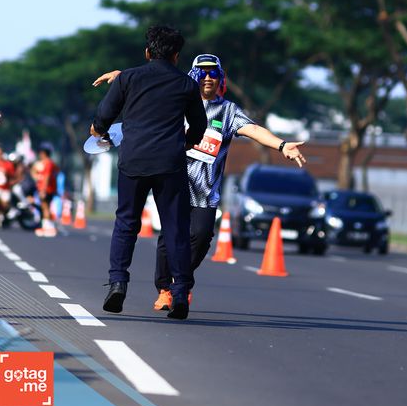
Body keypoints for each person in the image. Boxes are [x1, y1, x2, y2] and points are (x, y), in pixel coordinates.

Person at [94, 53, 306, 311]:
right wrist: (121, 76)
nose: (208, 78)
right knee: (169, 236)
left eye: (213, 73)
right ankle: (166, 289)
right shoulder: (178, 98)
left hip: (205, 192)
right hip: (172, 182)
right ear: (193, 74)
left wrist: (282, 145)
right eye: (202, 72)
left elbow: (253, 130)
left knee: (202, 236)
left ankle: (179, 281)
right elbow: (150, 83)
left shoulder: (227, 111)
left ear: (221, 78)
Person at [90, 25, 207, 320]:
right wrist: (185, 142)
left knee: (126, 223)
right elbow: (199, 126)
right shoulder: (186, 85)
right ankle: (179, 293)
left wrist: (98, 130)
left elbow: (103, 117)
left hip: (134, 161)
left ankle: (118, 283)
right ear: (176, 55)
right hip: (170, 164)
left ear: (147, 52)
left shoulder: (128, 78)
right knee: (175, 228)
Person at [32, 146, 59, 237]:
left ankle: (48, 227)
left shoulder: (48, 163)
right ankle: (46, 226)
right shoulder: (42, 163)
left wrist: (43, 190)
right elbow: (34, 171)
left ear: (44, 154)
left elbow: (47, 177)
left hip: (47, 189)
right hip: (43, 188)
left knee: (45, 207)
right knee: (44, 207)